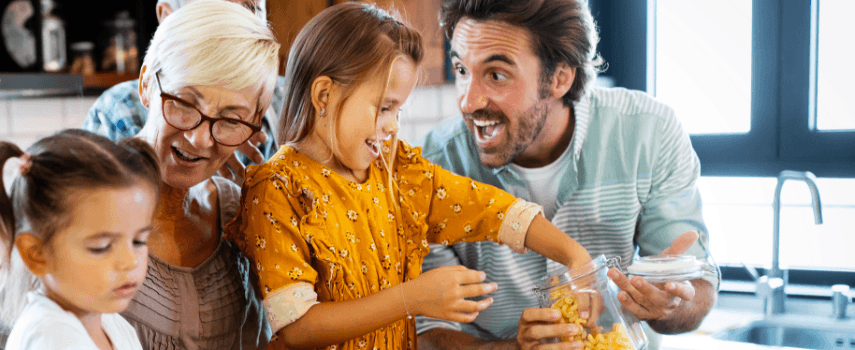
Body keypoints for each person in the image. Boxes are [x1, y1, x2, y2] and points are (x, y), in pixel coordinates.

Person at [227, 3, 597, 350]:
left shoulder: (395, 169)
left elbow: (488, 209)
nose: (392, 126)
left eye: (399, 109)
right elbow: (297, 327)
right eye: (385, 107)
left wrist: (574, 255)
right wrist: (411, 298)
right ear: (324, 94)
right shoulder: (276, 189)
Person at [0, 1, 279, 349]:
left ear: (255, 124)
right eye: (185, 104)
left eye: (231, 121)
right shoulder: (79, 194)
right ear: (146, 84)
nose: (199, 138)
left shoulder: (246, 218)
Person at [416, 0, 720, 349]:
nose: (468, 102)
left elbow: (698, 289)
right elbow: (428, 329)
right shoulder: (437, 164)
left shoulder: (648, 133)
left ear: (560, 77)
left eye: (496, 75)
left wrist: (672, 300)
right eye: (462, 70)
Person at [0, 130, 161, 350]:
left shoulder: (113, 325)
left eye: (139, 241)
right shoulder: (50, 338)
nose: (130, 261)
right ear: (36, 254)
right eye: (101, 247)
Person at [82, 0, 284, 185]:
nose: (233, 25)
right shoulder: (119, 108)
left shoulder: (287, 99)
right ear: (167, 16)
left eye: (250, 10)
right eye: (185, 104)